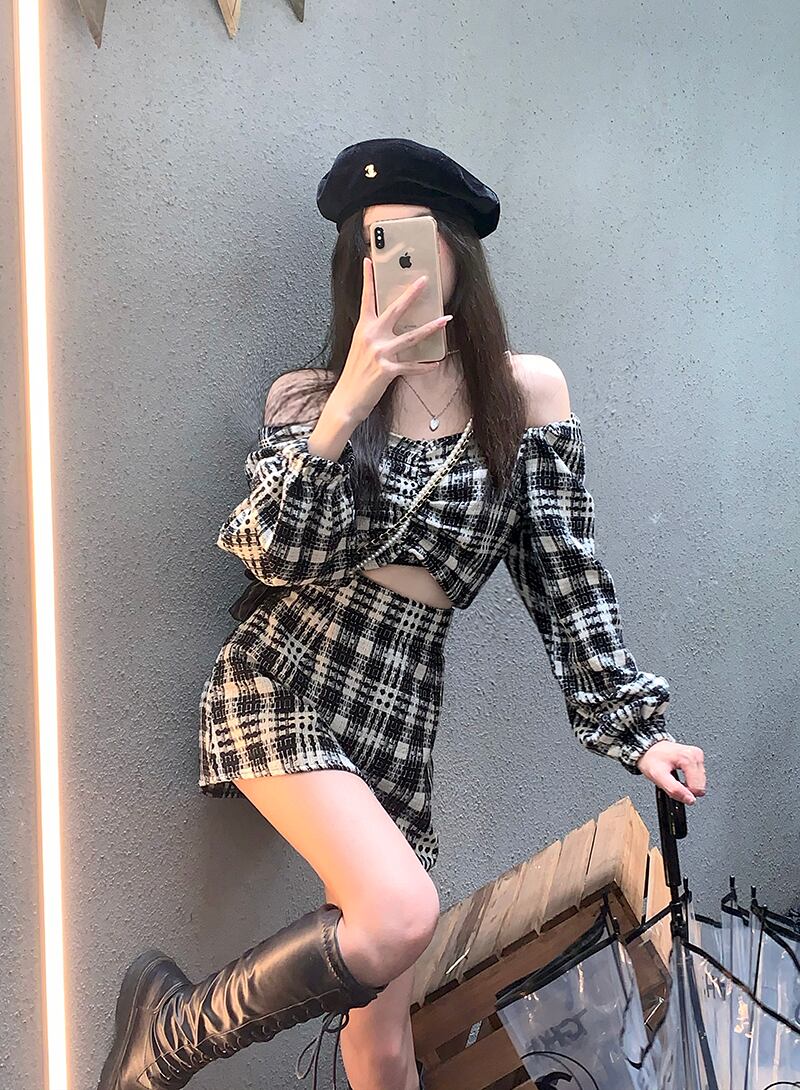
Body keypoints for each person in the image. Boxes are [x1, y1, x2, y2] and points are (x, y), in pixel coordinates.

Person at [96, 137, 707, 1090]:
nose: (395, 267)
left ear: (456, 249)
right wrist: (348, 402)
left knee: (383, 1043)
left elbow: (566, 578)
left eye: (411, 241)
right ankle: (169, 1034)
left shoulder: (525, 394)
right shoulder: (309, 396)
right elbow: (273, 553)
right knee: (400, 913)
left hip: (400, 710)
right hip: (286, 678)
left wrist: (639, 730)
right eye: (372, 247)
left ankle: (174, 1027)